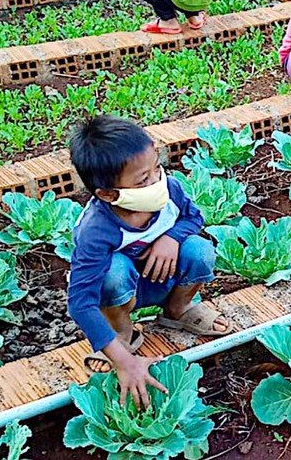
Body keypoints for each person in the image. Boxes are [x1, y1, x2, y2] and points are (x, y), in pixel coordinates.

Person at [68, 115, 231, 406]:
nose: (157, 181)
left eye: (157, 169)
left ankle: (177, 310)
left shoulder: (169, 191)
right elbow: (80, 302)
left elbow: (194, 217)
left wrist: (171, 238)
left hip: (164, 278)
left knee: (200, 250)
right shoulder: (96, 230)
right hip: (122, 293)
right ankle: (121, 333)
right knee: (113, 272)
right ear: (107, 194)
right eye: (143, 179)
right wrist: (123, 363)